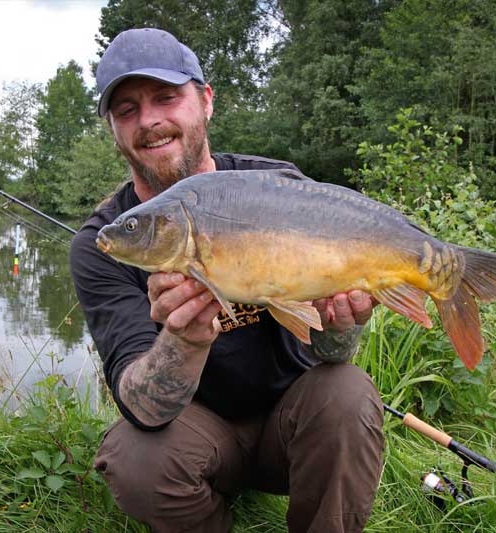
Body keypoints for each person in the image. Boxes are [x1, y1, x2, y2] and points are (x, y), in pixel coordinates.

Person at [70, 28, 385, 533]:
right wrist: (183, 340)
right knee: (134, 457)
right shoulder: (106, 242)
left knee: (348, 392)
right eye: (126, 109)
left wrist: (345, 322)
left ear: (206, 100)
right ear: (112, 128)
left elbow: (332, 355)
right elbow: (141, 407)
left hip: (294, 421)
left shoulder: (279, 189)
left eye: (166, 97)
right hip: (196, 435)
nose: (149, 120)